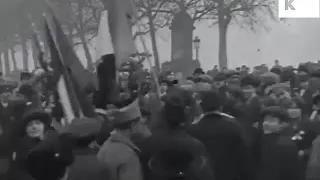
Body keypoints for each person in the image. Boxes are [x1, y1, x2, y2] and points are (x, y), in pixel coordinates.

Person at [188, 90, 253, 180]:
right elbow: (244, 156)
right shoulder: (233, 125)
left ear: (201, 107)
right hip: (230, 174)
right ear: (221, 106)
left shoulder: (194, 128)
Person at [97, 99, 150, 180]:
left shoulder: (106, 146)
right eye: (140, 124)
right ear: (133, 125)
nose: (142, 127)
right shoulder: (128, 155)